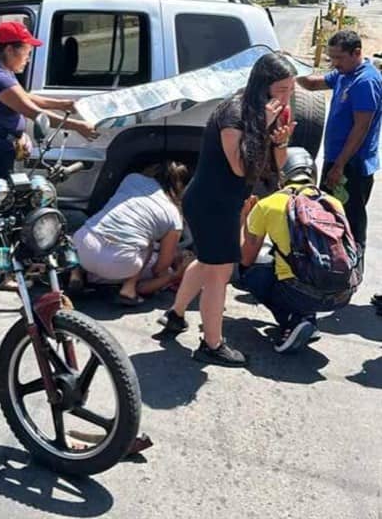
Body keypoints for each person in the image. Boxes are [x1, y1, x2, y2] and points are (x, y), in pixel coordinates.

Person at [157, 52, 297, 366]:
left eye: (291, 90)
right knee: (219, 272)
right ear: (263, 85)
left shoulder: (266, 114)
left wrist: (279, 141)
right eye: (282, 90)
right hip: (209, 203)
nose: (287, 97)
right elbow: (238, 167)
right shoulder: (234, 113)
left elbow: (274, 168)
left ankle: (175, 314)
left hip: (226, 202)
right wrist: (262, 124)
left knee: (208, 263)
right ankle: (212, 343)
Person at [237, 147, 357, 353]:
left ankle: (292, 320)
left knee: (251, 271)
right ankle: (307, 317)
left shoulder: (269, 204)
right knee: (285, 262)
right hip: (341, 293)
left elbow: (245, 258)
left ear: (283, 175)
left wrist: (243, 218)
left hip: (300, 293)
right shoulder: (333, 203)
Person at [296, 30, 382, 274]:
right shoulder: (345, 73)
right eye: (331, 58)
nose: (335, 63)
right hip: (337, 160)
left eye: (339, 58)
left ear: (357, 53)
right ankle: (332, 266)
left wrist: (340, 165)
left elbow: (361, 127)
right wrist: (292, 68)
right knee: (328, 214)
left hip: (352, 165)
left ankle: (352, 271)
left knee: (350, 220)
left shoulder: (365, 81)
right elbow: (313, 84)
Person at [0, 21, 97, 182]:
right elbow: (37, 115)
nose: (28, 59)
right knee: (1, 200)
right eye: (26, 52)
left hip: (0, 145)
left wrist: (63, 104)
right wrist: (79, 126)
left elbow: (25, 97)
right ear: (10, 50)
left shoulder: (0, 68)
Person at [71, 161, 192, 305]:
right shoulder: (173, 215)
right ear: (181, 188)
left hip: (83, 248)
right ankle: (129, 289)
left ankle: (76, 274)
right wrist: (177, 274)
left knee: (96, 227)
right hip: (120, 262)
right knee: (147, 244)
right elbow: (160, 269)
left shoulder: (131, 179)